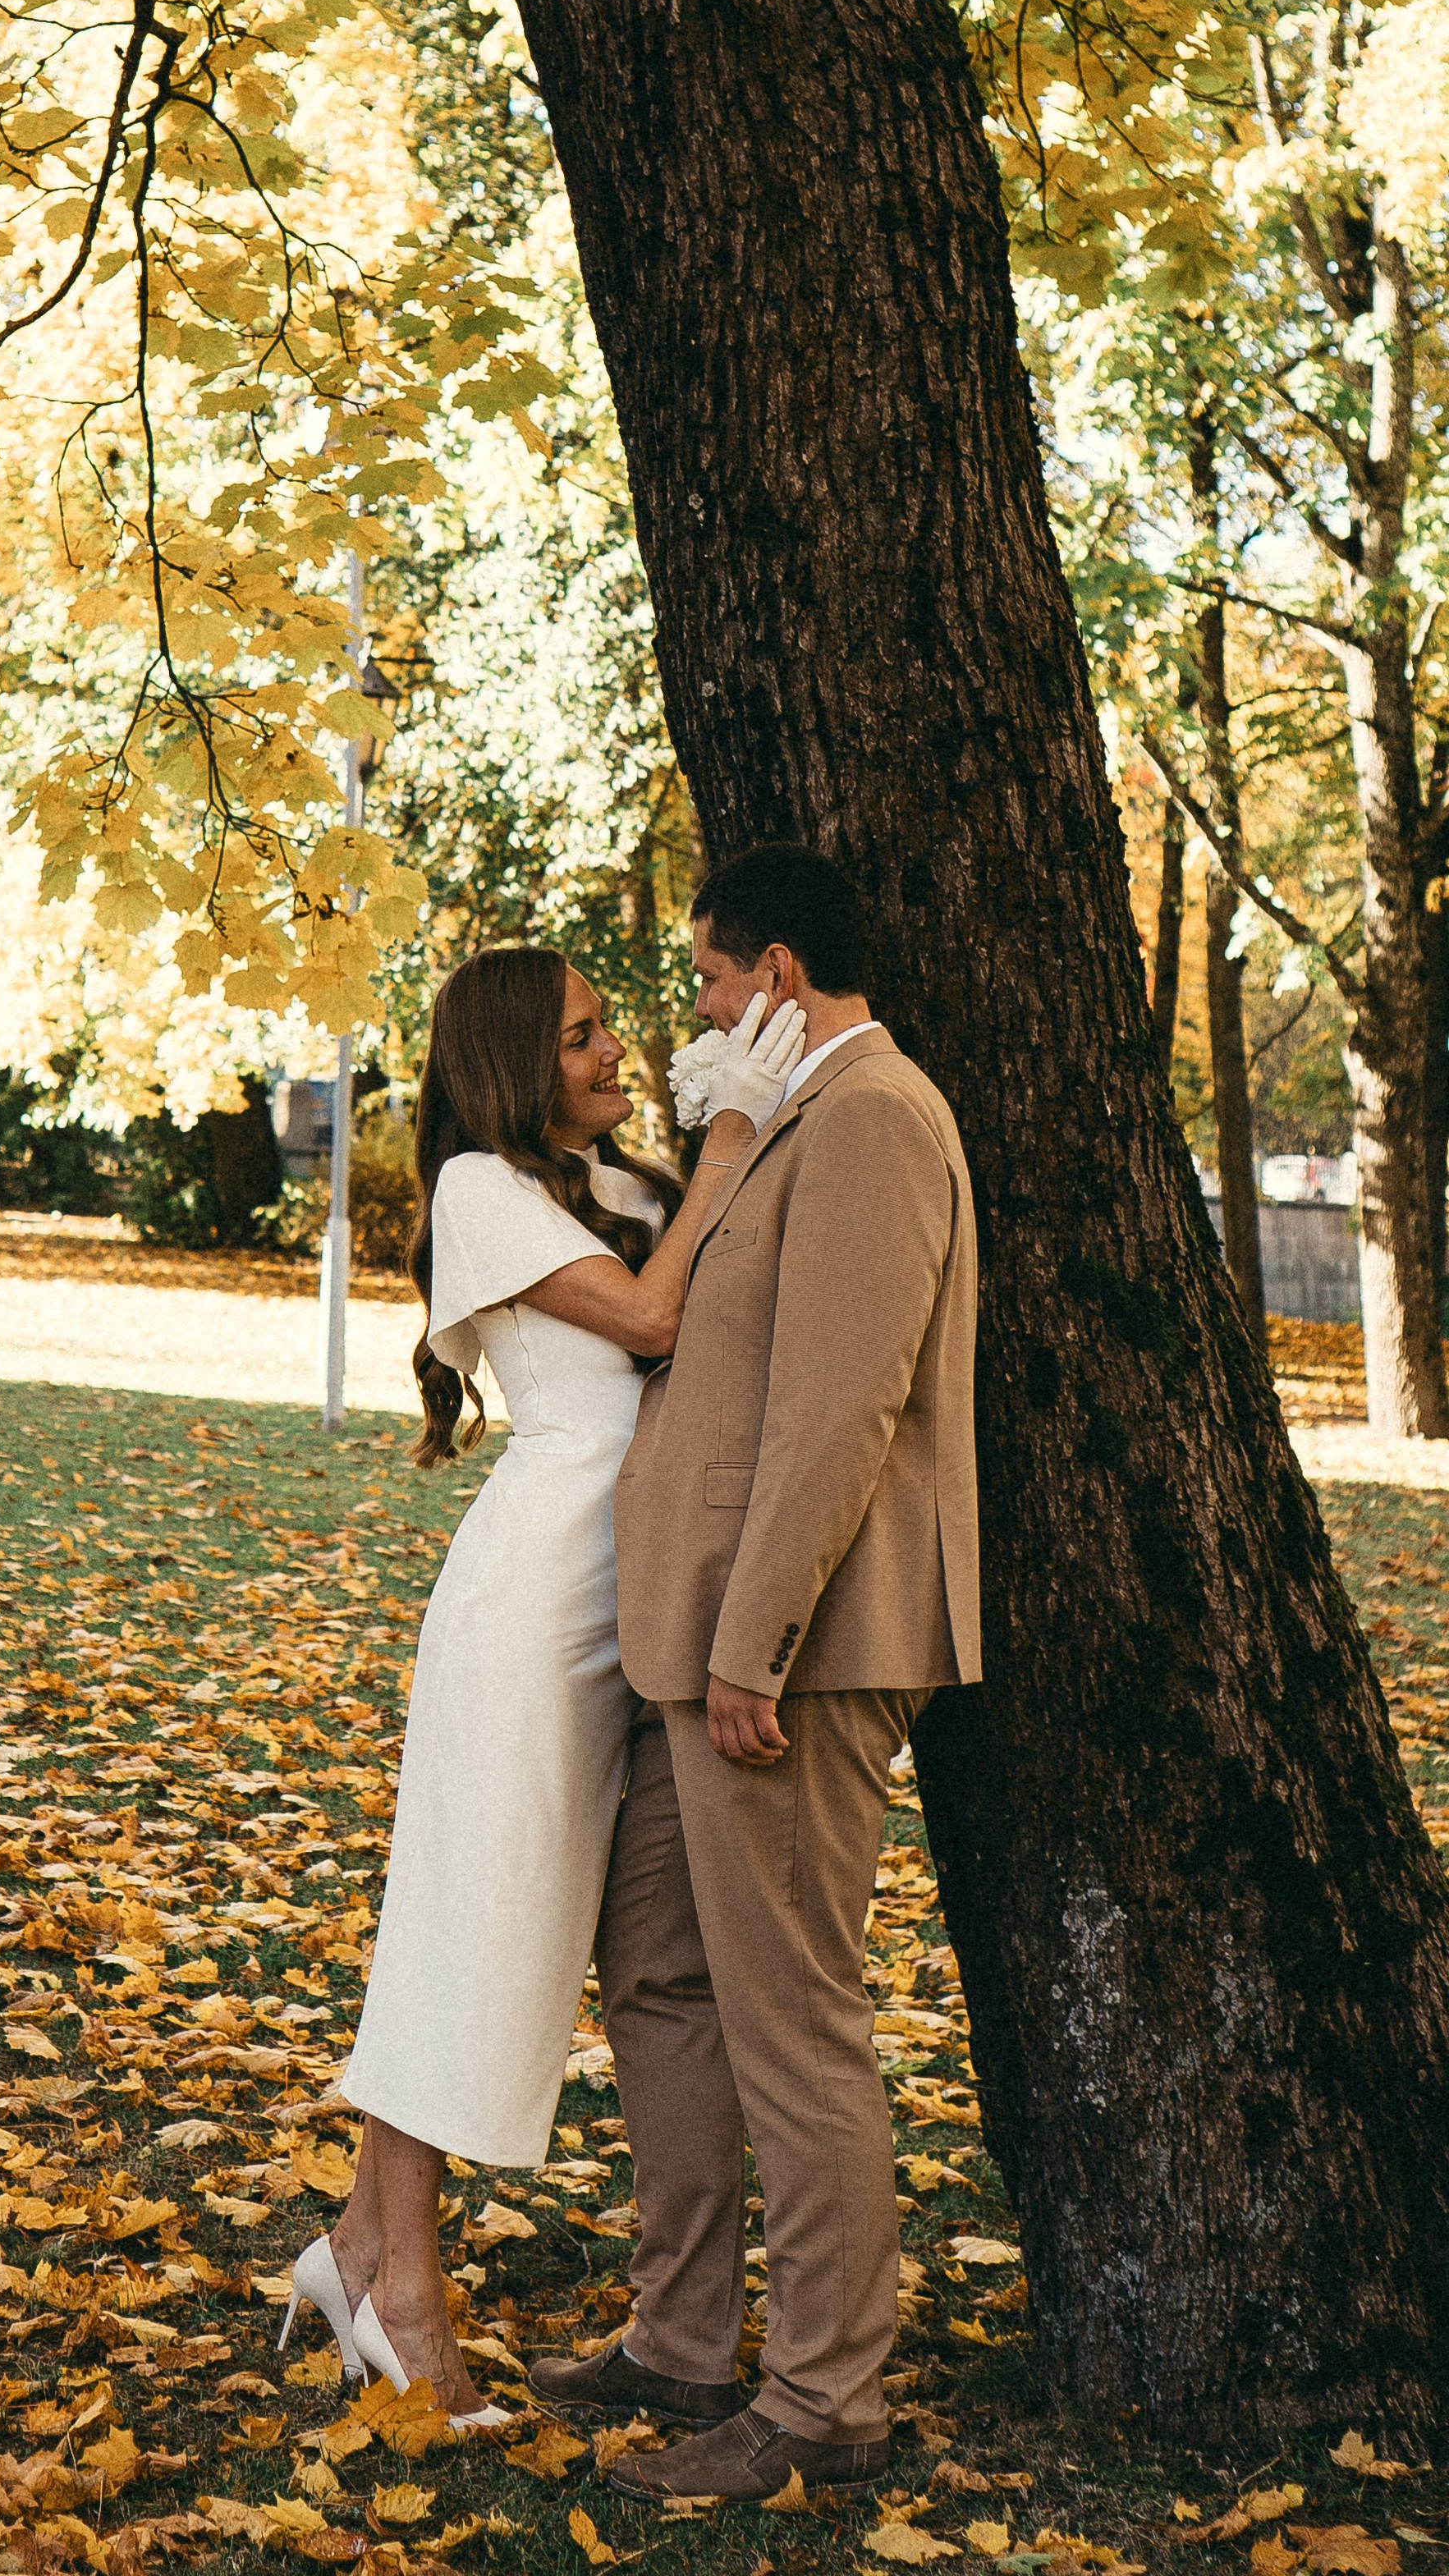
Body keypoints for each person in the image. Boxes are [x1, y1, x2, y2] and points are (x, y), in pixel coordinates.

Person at [275, 942, 807, 2421]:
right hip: (526, 1613)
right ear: (517, 1058)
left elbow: (718, 1281)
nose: (613, 1052)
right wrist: (734, 1134)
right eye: (581, 1038)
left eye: (611, 1030)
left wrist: (719, 1146)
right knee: (479, 1935)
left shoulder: (618, 1187)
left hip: (620, 1610)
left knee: (494, 1939)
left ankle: (366, 2248)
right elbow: (652, 1323)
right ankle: (402, 2285)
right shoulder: (478, 1190)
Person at [528, 844, 980, 2505]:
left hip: (782, 1653)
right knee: (655, 1975)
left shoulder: (869, 1117)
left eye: (709, 987)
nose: (695, 1017)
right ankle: (680, 2333)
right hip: (693, 1639)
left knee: (792, 2022)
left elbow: (837, 1412)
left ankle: (821, 2402)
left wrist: (752, 1646)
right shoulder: (795, 1117)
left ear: (775, 975)